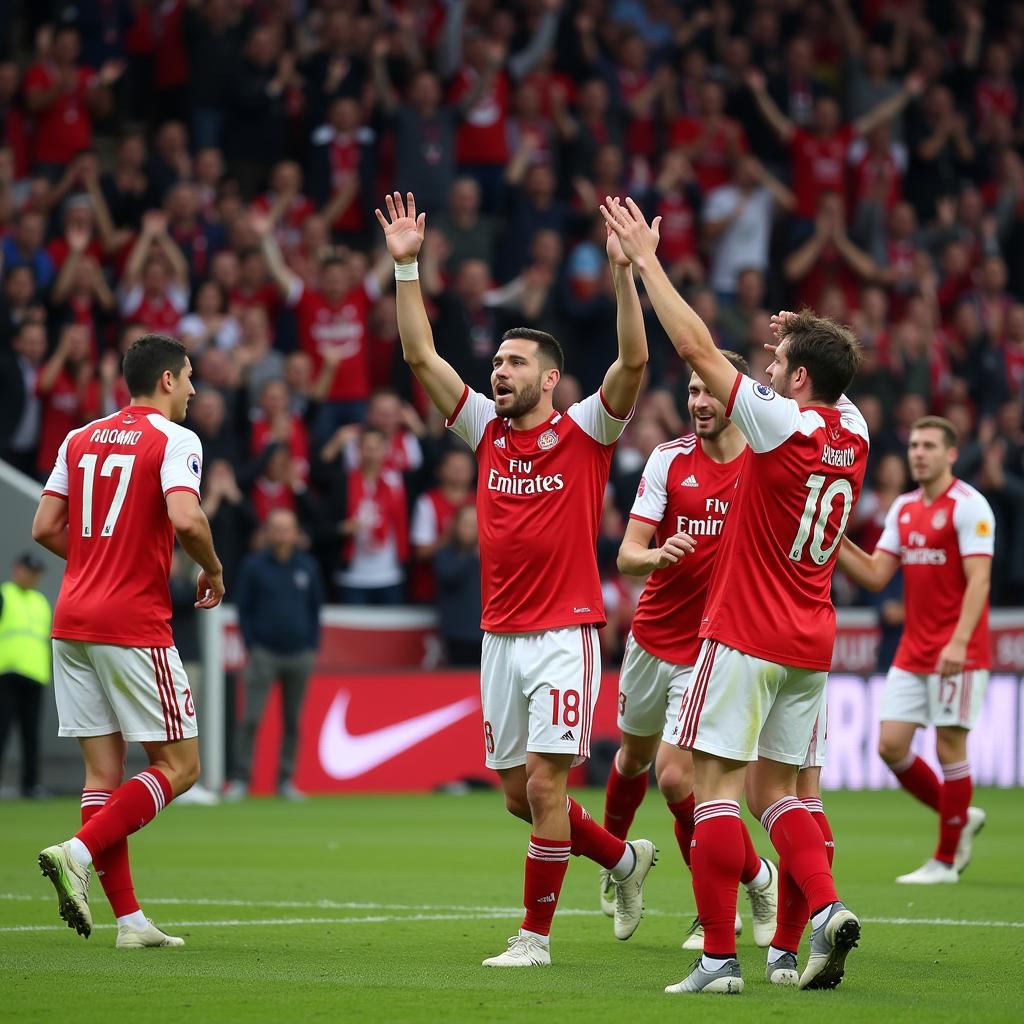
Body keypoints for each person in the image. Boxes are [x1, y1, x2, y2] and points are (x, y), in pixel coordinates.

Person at [377, 191, 656, 967]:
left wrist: (626, 273)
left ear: (552, 379)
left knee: (542, 787)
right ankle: (627, 861)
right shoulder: (484, 433)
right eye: (496, 362)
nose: (498, 372)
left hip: (566, 632)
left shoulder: (587, 431)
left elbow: (633, 362)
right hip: (501, 637)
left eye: (514, 363)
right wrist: (406, 269)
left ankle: (533, 939)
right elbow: (420, 358)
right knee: (517, 794)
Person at [602, 197, 867, 993]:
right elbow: (837, 376)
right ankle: (820, 912)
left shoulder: (782, 426)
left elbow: (692, 344)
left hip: (744, 633)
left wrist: (648, 261)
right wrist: (800, 332)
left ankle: (720, 959)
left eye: (779, 364)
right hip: (809, 642)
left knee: (712, 789)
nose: (766, 370)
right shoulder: (852, 434)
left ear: (799, 380)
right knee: (777, 793)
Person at [31, 333, 225, 949]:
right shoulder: (174, 439)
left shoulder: (78, 437)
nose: (194, 389)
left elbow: (44, 527)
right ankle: (78, 853)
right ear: (166, 380)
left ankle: (130, 922)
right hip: (131, 623)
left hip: (71, 621)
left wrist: (96, 560)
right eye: (189, 377)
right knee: (182, 766)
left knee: (101, 773)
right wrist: (213, 570)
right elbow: (187, 517)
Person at [599, 354, 779, 951]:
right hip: (652, 636)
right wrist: (656, 555)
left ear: (736, 396)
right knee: (630, 761)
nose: (699, 402)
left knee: (676, 779)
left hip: (713, 646)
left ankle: (714, 906)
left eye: (710, 392)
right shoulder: (669, 459)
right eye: (693, 392)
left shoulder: (764, 460)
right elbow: (627, 554)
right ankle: (622, 865)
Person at [836, 417, 993, 884]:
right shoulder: (903, 509)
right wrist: (831, 535)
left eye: (929, 446)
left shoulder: (969, 506)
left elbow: (980, 579)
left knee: (949, 745)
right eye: (914, 445)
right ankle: (959, 814)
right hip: (913, 650)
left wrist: (960, 642)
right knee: (890, 745)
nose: (918, 453)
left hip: (957, 652)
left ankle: (946, 860)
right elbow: (877, 574)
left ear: (950, 454)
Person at [228, 508, 323, 801]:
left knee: (293, 721)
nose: (282, 534)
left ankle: (285, 780)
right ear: (268, 532)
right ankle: (241, 779)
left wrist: (311, 644)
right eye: (277, 528)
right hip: (264, 653)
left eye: (287, 529)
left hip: (299, 655)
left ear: (296, 534)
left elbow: (315, 608)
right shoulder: (254, 566)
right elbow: (243, 609)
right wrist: (253, 643)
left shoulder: (307, 566)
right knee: (251, 718)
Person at [0, 553, 52, 798]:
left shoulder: (41, 602)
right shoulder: (4, 595)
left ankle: (30, 785)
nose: (32, 576)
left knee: (31, 734)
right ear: (16, 570)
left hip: (35, 675)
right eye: (29, 571)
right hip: (7, 673)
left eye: (36, 573)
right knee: (2, 730)